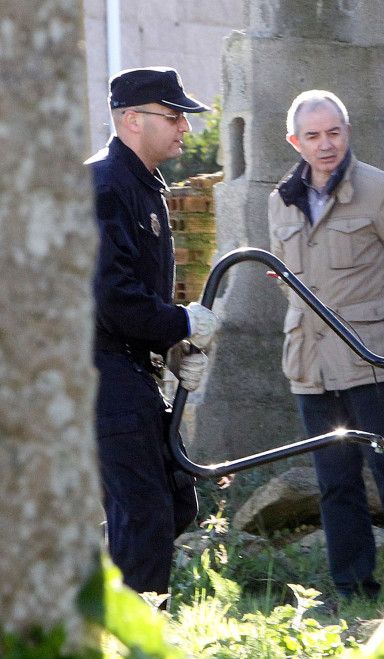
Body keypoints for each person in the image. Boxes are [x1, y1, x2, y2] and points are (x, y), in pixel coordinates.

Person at [267, 90, 384, 601]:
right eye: (314, 136)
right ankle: (352, 593)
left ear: (348, 132)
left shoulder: (383, 191)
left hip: (374, 364)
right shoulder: (278, 200)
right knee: (335, 482)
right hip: (309, 365)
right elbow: (284, 280)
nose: (326, 145)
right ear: (295, 142)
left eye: (335, 132)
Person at [88, 66, 220, 594]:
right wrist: (180, 320)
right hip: (98, 373)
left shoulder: (142, 186)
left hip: (128, 369)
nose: (184, 127)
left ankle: (105, 595)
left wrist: (174, 346)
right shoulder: (103, 186)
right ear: (130, 120)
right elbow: (111, 297)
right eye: (173, 116)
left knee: (173, 499)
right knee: (144, 513)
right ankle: (136, 637)